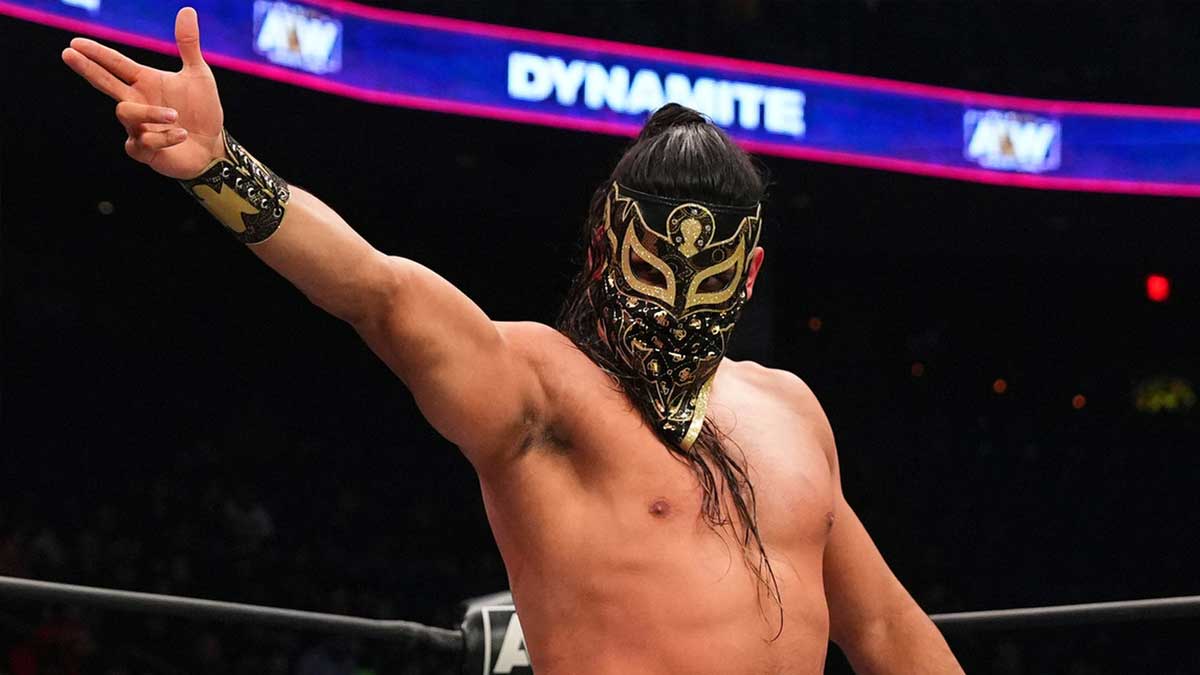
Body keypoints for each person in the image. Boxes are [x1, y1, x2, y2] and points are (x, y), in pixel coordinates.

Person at [61, 8, 962, 673]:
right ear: (605, 248)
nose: (680, 295)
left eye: (712, 268)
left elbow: (884, 629)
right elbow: (377, 291)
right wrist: (219, 164)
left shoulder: (791, 410)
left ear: (750, 271)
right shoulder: (543, 390)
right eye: (654, 260)